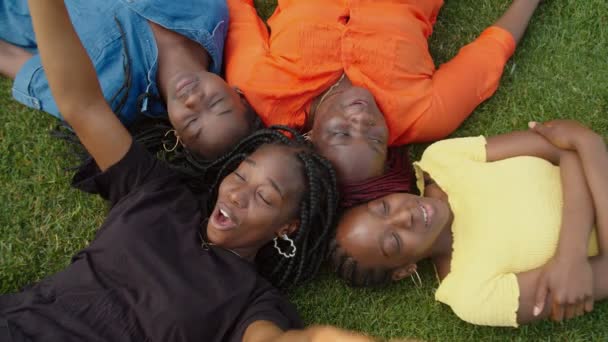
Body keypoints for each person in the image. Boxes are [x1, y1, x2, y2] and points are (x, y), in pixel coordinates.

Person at [0, 1, 384, 341]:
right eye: (242, 174)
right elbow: (83, 106)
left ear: (287, 227)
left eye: (265, 196)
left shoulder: (249, 301)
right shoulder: (159, 191)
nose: (237, 194)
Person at [224, 0, 543, 183]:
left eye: (342, 134)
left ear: (309, 138)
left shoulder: (259, 90)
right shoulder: (422, 115)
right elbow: (491, 53)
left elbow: (237, 11)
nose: (361, 121)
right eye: (376, 139)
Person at [329, 119, 608, 327]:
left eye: (384, 207)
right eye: (394, 241)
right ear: (404, 270)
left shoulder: (441, 162)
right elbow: (574, 147)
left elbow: (565, 148)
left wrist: (571, 253)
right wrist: (589, 147)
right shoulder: (470, 294)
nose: (405, 216)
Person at [0, 0, 257, 159]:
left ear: (178, 135)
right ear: (238, 94)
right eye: (215, 103)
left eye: (191, 122)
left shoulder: (107, 95)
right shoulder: (211, 9)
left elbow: (12, 58)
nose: (193, 101)